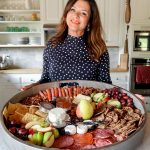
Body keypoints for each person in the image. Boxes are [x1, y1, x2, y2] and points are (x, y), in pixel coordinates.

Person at [21, 0, 112, 91]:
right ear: (66, 14)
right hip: (56, 104)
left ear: (89, 21)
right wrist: (36, 86)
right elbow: (46, 80)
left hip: (89, 104)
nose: (76, 15)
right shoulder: (51, 45)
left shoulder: (99, 47)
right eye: (72, 10)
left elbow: (106, 85)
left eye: (83, 13)